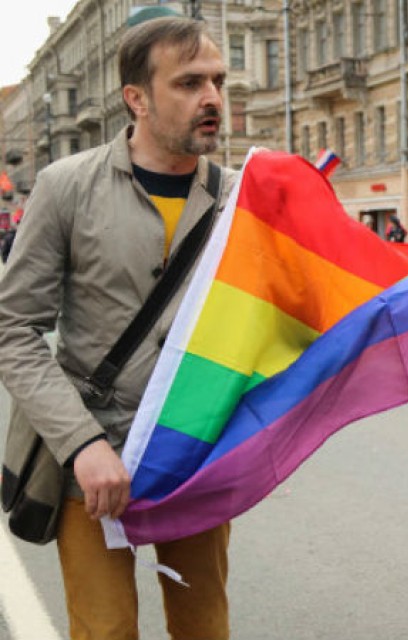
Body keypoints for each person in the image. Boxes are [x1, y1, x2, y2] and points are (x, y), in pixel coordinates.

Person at [0, 17, 236, 640]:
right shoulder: (66, 187)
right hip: (93, 462)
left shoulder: (241, 198)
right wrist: (81, 445)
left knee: (204, 625)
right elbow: (12, 330)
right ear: (137, 97)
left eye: (217, 80)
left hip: (193, 457)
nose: (212, 98)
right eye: (188, 83)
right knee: (104, 632)